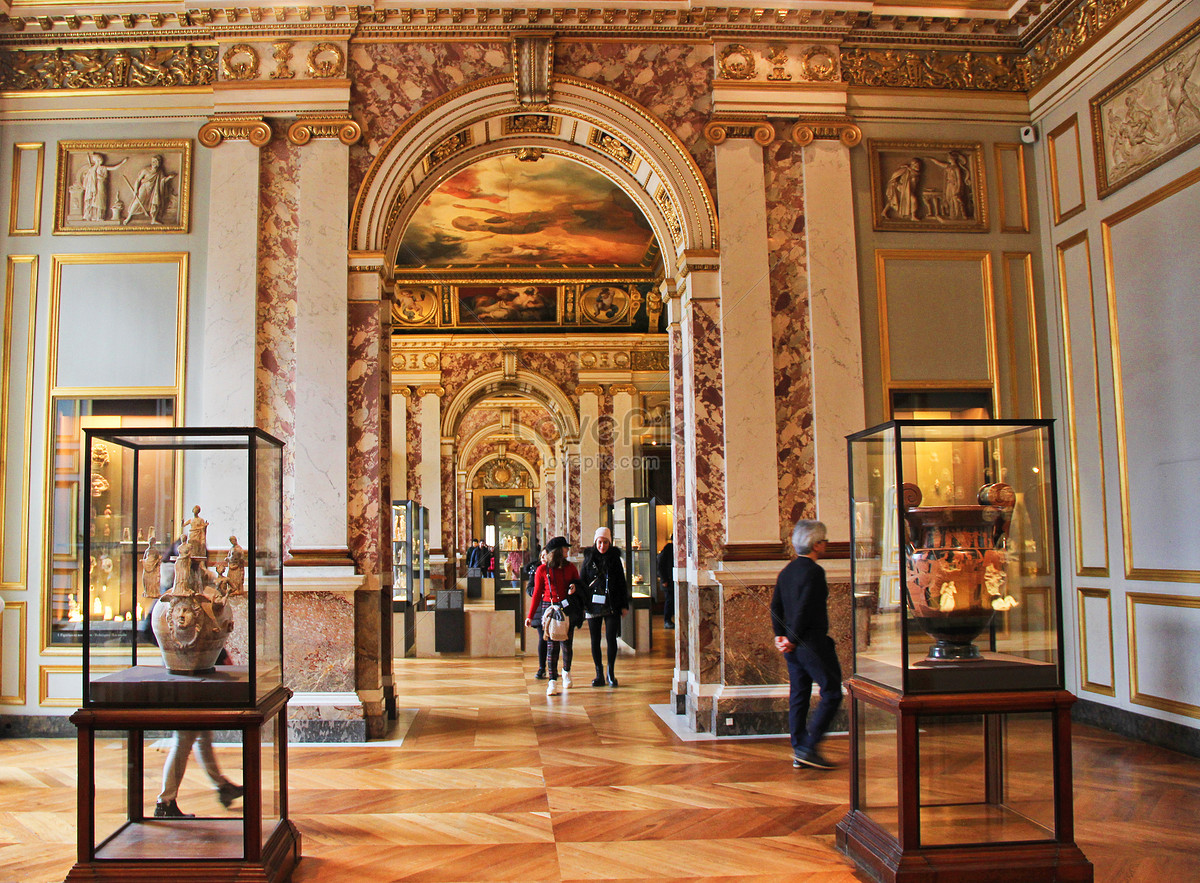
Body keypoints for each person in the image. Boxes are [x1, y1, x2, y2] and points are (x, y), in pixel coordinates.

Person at [770, 519, 842, 771]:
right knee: (832, 691)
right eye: (825, 541)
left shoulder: (787, 571)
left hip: (792, 646)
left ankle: (799, 747)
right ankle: (809, 747)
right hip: (810, 643)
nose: (827, 545)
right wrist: (791, 637)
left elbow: (776, 606)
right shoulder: (814, 572)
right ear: (817, 544)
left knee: (798, 694)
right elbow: (806, 609)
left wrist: (781, 636)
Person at [525, 537, 579, 695]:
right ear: (558, 551)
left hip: (567, 608)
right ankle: (552, 680)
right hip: (549, 608)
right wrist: (530, 615)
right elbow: (536, 594)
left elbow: (580, 585)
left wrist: (575, 587)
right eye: (565, 549)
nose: (567, 551)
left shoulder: (571, 568)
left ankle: (566, 672)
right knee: (551, 646)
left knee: (567, 643)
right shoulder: (542, 570)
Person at [580, 526, 629, 687]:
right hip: (593, 604)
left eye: (606, 542)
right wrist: (581, 603)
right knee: (595, 640)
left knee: (611, 638)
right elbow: (583, 582)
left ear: (610, 542)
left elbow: (622, 583)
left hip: (611, 603)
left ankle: (611, 672)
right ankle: (598, 673)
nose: (602, 546)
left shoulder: (615, 559)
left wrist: (624, 604)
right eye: (600, 542)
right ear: (595, 542)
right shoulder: (588, 559)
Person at [123, 153, 175, 225]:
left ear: (159, 163)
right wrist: (135, 190)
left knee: (155, 203)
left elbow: (162, 181)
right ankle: (128, 217)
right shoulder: (145, 170)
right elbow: (138, 180)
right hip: (144, 188)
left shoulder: (160, 172)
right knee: (138, 201)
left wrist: (169, 178)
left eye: (157, 162)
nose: (155, 163)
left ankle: (153, 219)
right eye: (153, 161)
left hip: (154, 189)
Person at [657, 540, 675, 629]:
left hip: (671, 580)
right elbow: (660, 565)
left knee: (671, 600)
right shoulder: (668, 548)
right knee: (669, 600)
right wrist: (664, 579)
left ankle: (669, 620)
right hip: (668, 581)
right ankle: (667, 620)